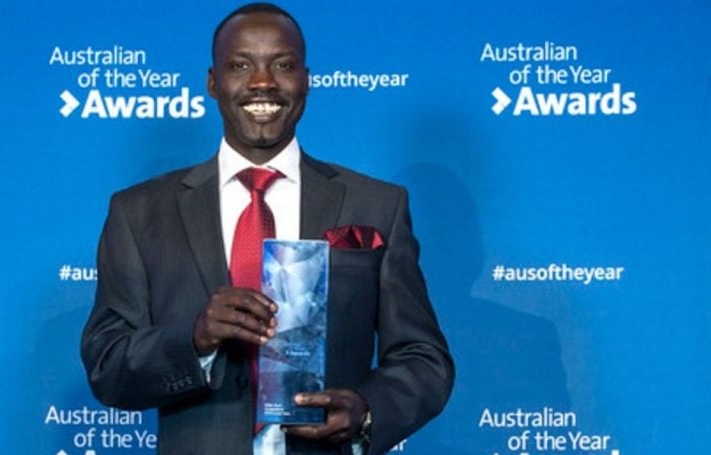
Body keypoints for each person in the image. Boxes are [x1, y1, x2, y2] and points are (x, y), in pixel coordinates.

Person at [81, 3, 454, 454]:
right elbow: (107, 365)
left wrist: (366, 409)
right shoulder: (139, 212)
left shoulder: (377, 205)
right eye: (240, 65)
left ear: (306, 80)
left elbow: (423, 359)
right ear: (213, 82)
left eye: (283, 65)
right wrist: (195, 338)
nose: (262, 82)